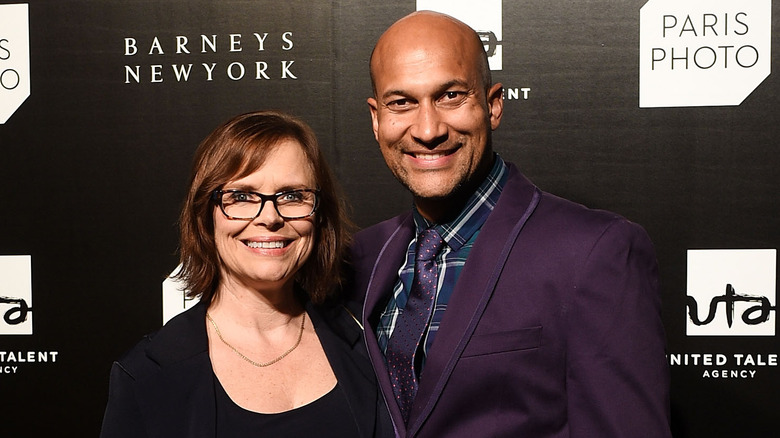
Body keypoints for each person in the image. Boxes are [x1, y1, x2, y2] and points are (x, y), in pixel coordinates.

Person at [348, 11, 672, 437]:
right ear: (376, 120)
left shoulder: (595, 251)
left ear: (493, 104)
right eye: (402, 103)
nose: (427, 129)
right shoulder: (360, 258)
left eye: (450, 96)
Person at [100, 111, 392, 437]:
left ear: (319, 215)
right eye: (241, 196)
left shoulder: (368, 345)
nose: (270, 217)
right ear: (206, 217)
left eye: (292, 195)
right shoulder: (146, 376)